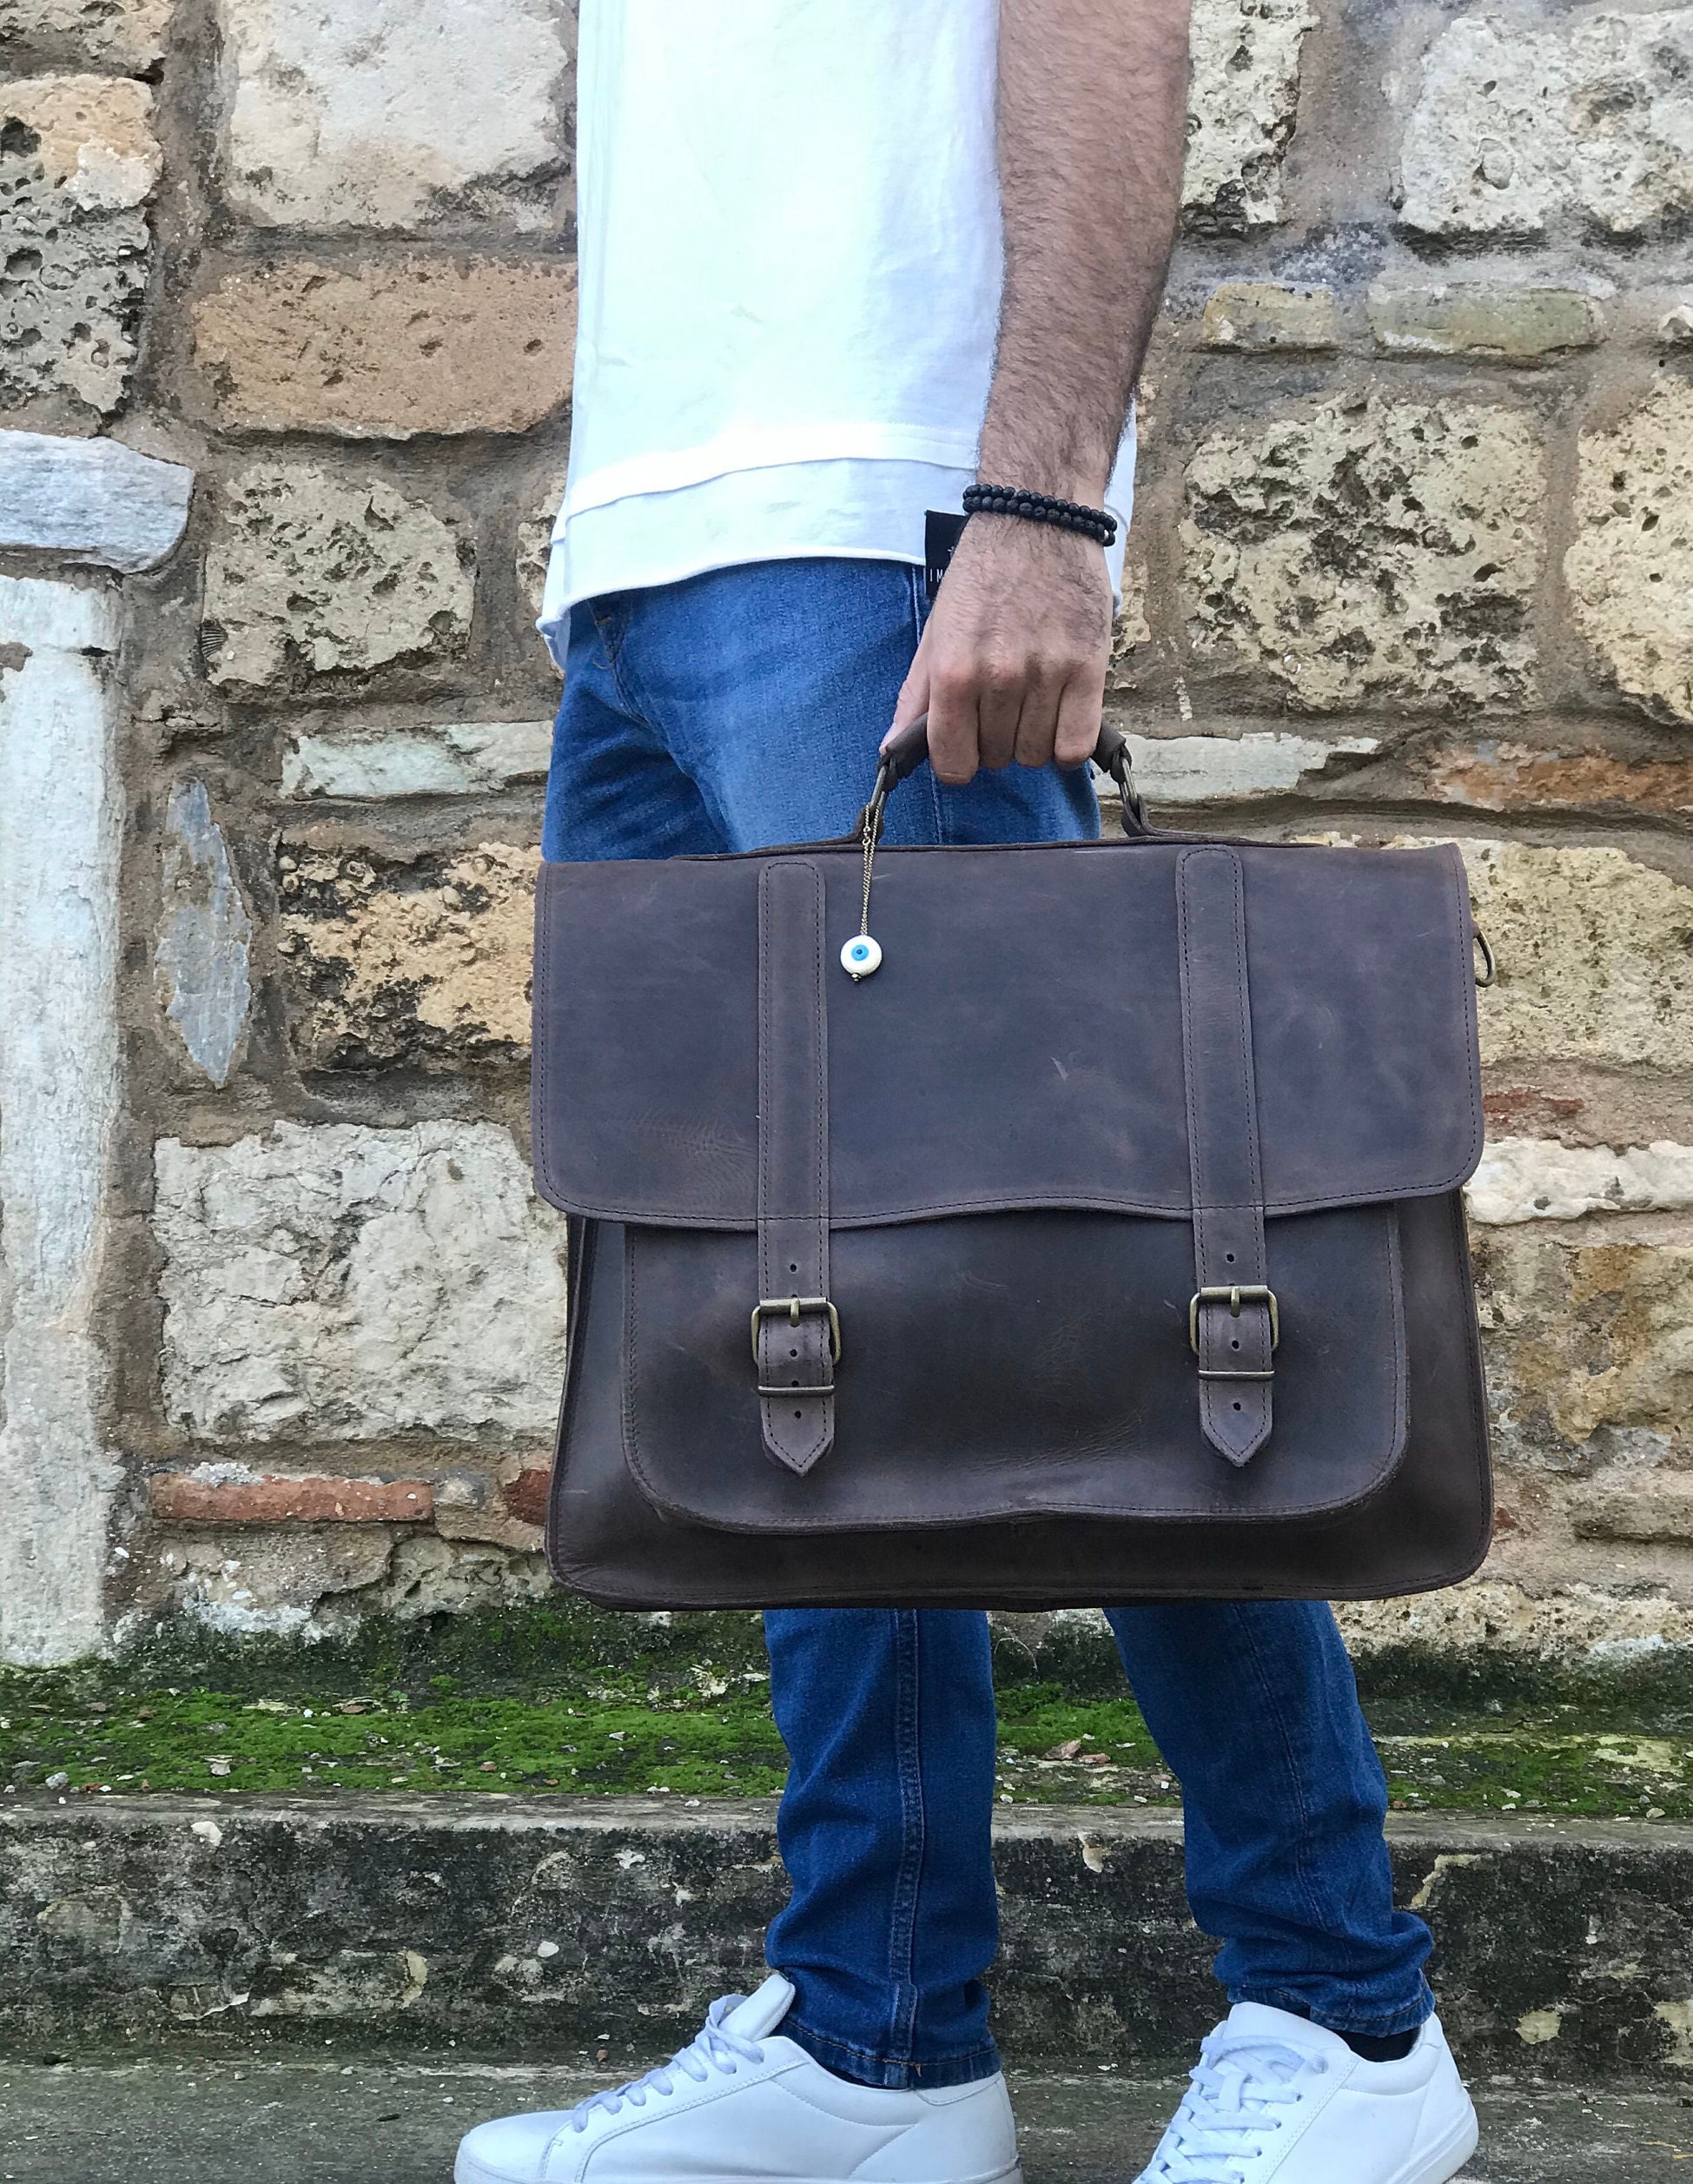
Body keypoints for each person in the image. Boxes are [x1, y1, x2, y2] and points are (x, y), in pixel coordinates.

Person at [457, 4, 1480, 2181]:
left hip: (883, 525)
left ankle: (1343, 2016)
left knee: (1096, 1305)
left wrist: (1031, 513)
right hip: (641, 567)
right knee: (790, 1340)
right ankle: (881, 2041)